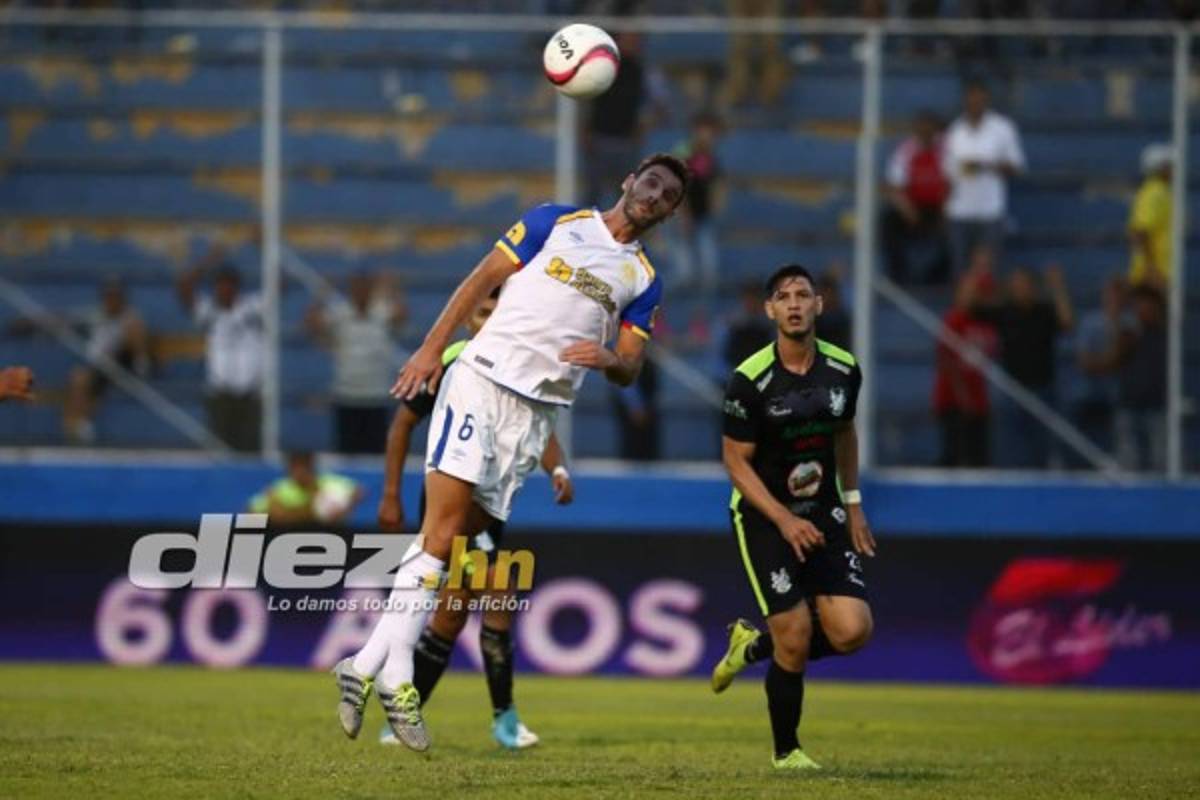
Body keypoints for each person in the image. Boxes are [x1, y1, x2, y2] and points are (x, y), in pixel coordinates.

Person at [332, 152, 689, 753]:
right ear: (628, 180)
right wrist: (429, 350)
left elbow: (630, 365)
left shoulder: (643, 280)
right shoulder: (556, 221)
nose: (654, 195)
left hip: (533, 418)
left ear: (671, 212)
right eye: (650, 181)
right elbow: (478, 279)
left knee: (451, 549)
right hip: (483, 380)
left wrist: (611, 361)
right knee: (442, 537)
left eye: (668, 194)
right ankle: (391, 675)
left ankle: (366, 664)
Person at [375, 288, 575, 750]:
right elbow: (403, 424)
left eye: (498, 311)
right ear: (469, 322)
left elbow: (538, 428)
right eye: (482, 312)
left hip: (490, 509)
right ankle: (505, 720)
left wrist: (558, 468)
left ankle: (402, 717)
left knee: (448, 619)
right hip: (453, 510)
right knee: (499, 594)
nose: (490, 320)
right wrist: (390, 494)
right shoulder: (455, 362)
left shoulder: (523, 361)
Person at [711, 264, 876, 771]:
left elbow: (844, 432)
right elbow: (735, 460)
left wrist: (851, 501)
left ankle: (752, 646)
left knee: (852, 630)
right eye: (784, 297)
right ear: (770, 310)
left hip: (822, 511)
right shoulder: (750, 380)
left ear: (819, 305)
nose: (795, 303)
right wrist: (783, 520)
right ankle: (788, 753)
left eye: (804, 294)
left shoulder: (844, 369)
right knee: (798, 633)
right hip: (765, 516)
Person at [975, 265, 1075, 469]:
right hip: (1013, 391)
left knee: (1042, 448)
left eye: (1024, 284)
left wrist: (1058, 287)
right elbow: (971, 305)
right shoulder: (1004, 312)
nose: (1020, 289)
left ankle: (1043, 482)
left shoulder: (1044, 311)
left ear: (1034, 287)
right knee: (1012, 451)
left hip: (1042, 388)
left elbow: (1067, 323)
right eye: (1016, 285)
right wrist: (982, 272)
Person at [306, 272, 407, 455]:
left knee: (377, 452)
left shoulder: (381, 312)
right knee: (347, 453)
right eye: (356, 289)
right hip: (346, 395)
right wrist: (321, 296)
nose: (361, 293)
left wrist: (392, 290)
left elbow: (401, 317)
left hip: (376, 396)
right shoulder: (340, 313)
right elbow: (312, 325)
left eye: (365, 289)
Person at [176, 250, 264, 453]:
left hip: (250, 394)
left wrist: (264, 246)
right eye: (221, 284)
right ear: (215, 287)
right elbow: (184, 286)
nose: (225, 288)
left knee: (250, 452)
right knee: (219, 452)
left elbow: (279, 284)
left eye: (230, 283)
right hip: (220, 394)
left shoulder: (252, 307)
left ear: (237, 286)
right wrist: (208, 260)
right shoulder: (208, 311)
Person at [943, 81, 1025, 274]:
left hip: (990, 211)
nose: (976, 103)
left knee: (989, 271)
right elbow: (947, 170)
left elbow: (1016, 167)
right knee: (959, 270)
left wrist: (988, 166)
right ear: (965, 100)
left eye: (980, 99)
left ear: (987, 100)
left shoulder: (1002, 128)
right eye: (972, 99)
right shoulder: (955, 131)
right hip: (959, 211)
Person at [63, 278, 151, 444]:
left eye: (116, 297)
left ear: (122, 299)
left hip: (123, 362)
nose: (112, 301)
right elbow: (67, 319)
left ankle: (142, 366)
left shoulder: (130, 317)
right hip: (99, 367)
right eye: (108, 297)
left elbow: (134, 339)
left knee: (133, 329)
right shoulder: (95, 315)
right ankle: (79, 425)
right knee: (78, 377)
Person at [932, 264, 998, 467]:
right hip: (954, 400)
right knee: (955, 453)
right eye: (967, 291)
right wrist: (963, 396)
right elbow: (946, 361)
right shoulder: (954, 321)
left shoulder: (986, 322)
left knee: (979, 456)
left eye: (976, 292)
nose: (972, 296)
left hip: (978, 399)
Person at [882, 110, 950, 285]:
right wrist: (907, 210)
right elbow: (893, 186)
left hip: (938, 207)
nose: (926, 134)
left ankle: (938, 275)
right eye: (922, 130)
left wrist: (945, 209)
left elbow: (953, 183)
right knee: (888, 221)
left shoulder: (946, 150)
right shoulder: (906, 150)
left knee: (956, 225)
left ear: (936, 131)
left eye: (930, 130)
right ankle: (898, 273)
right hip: (913, 207)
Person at [1069, 276, 1127, 467]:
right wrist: (1108, 361)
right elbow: (1084, 361)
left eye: (1118, 294)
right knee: (1080, 449)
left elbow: (1121, 358)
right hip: (1086, 395)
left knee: (1110, 451)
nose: (1113, 298)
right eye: (1110, 293)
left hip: (1114, 397)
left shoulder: (1129, 323)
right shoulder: (1090, 322)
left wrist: (1105, 360)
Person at [1114, 285, 1167, 472]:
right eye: (1139, 305)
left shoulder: (1167, 332)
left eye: (1148, 305)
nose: (1143, 309)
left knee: (1161, 459)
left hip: (1158, 404)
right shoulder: (1129, 334)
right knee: (1128, 460)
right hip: (1129, 402)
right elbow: (1115, 358)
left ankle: (1163, 496)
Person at [671, 111, 722, 293]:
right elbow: (677, 184)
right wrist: (684, 212)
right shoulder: (684, 151)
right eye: (704, 131)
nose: (708, 136)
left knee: (707, 247)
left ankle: (709, 283)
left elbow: (715, 182)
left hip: (704, 210)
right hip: (685, 209)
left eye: (711, 132)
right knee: (683, 247)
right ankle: (685, 279)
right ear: (695, 130)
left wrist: (716, 203)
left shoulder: (711, 155)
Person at [248, 451, 363, 527]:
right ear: (290, 469)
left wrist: (344, 509)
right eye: (297, 468)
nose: (301, 472)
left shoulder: (328, 482)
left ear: (311, 467)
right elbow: (252, 510)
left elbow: (358, 491)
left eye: (304, 467)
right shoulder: (280, 489)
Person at [1128, 143, 1173, 292]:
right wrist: (1151, 270)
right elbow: (1139, 233)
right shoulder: (1155, 193)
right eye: (1169, 165)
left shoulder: (1158, 192)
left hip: (1156, 275)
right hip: (1152, 279)